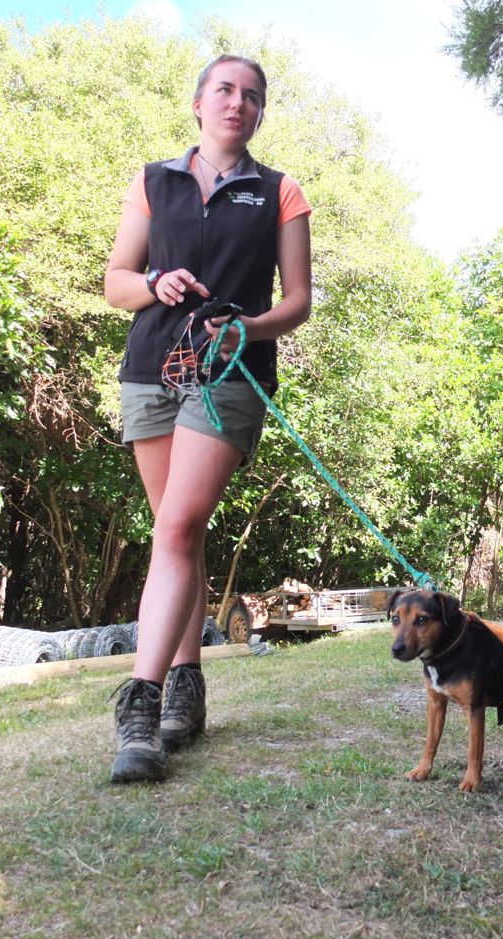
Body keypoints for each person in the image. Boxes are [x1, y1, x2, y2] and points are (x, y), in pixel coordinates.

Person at [103, 54, 312, 783]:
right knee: (176, 534)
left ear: (259, 113)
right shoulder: (153, 180)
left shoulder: (280, 191)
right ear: (199, 102)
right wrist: (155, 282)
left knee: (177, 528)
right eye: (224, 89)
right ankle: (187, 686)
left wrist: (246, 330)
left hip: (230, 374)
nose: (237, 103)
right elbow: (116, 283)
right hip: (150, 370)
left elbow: (297, 302)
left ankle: (141, 702)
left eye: (251, 95)